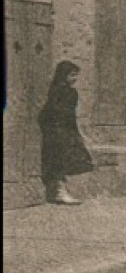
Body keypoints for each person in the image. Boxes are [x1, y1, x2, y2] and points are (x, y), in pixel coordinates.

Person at [38, 60, 94, 205]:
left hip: (65, 130)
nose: (74, 79)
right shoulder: (59, 91)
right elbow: (51, 112)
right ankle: (59, 193)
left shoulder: (69, 92)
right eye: (71, 75)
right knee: (58, 161)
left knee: (62, 161)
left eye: (76, 75)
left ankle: (60, 191)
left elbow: (70, 115)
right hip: (57, 131)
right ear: (63, 75)